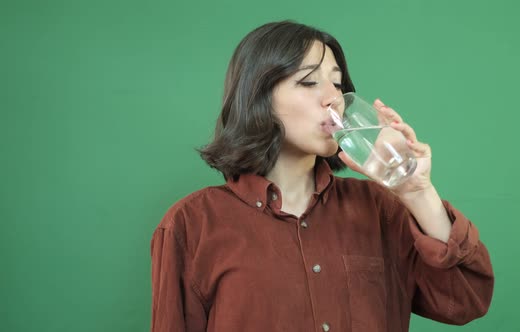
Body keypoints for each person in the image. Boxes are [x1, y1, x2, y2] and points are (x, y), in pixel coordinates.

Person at [150, 20, 494, 332]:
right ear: (259, 96)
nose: (333, 98)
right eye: (308, 81)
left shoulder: (379, 209)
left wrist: (417, 191)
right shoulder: (191, 225)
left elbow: (465, 302)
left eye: (337, 83)